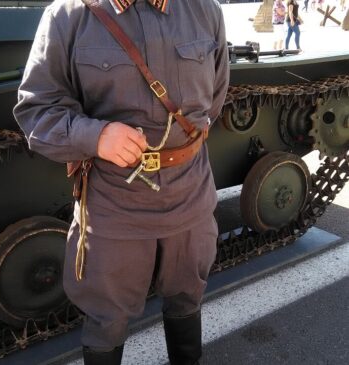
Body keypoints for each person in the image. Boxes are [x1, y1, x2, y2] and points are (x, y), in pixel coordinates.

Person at [13, 0, 229, 364]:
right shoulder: (69, 17)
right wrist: (95, 137)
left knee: (187, 296)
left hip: (189, 193)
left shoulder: (203, 10)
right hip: (114, 205)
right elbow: (36, 111)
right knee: (106, 317)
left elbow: (216, 97)